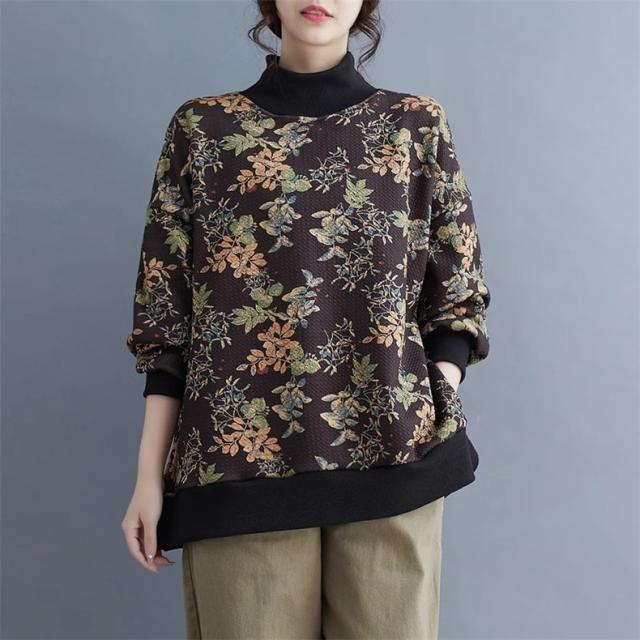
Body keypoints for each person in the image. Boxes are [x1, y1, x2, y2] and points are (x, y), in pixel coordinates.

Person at [121, 0, 491, 637]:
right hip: (236, 468)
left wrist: (432, 391)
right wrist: (147, 478)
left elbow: (457, 294)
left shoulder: (414, 124)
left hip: (393, 459)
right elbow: (165, 318)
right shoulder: (203, 129)